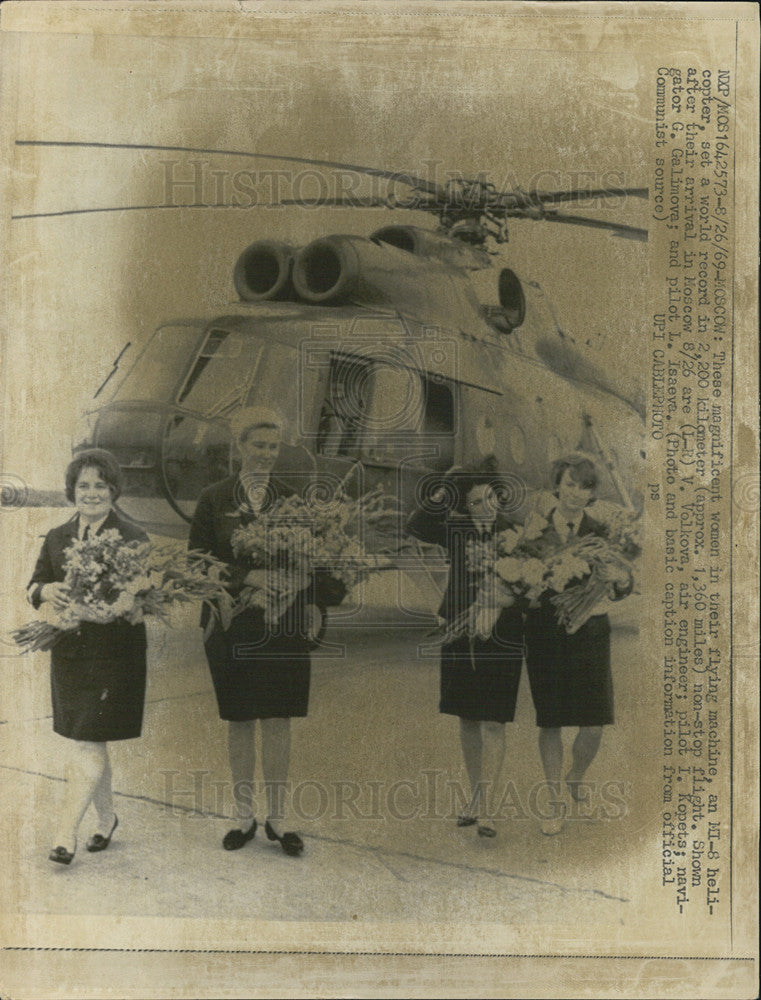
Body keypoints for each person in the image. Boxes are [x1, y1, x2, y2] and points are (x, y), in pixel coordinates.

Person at [189, 406, 345, 856]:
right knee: (240, 721)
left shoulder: (294, 500)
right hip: (232, 626)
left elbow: (322, 565)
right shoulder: (214, 499)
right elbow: (197, 562)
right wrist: (247, 578)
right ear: (240, 447)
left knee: (278, 718)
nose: (267, 455)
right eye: (259, 446)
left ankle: (278, 818)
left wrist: (302, 584)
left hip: (284, 628)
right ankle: (244, 817)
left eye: (274, 447)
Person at [26, 449, 148, 865]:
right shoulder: (58, 536)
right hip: (71, 654)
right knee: (89, 740)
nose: (92, 493)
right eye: (83, 485)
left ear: (113, 490)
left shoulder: (134, 536)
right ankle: (108, 818)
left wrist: (122, 604)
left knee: (88, 740)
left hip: (115, 655)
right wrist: (47, 591)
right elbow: (34, 584)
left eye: (100, 485)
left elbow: (145, 598)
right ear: (71, 491)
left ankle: (64, 834)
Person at [406, 458, 524, 837]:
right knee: (468, 718)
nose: (485, 507)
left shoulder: (518, 533)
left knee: (493, 720)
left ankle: (487, 805)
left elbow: (532, 583)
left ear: (499, 496)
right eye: (474, 501)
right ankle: (475, 796)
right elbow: (416, 525)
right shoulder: (455, 529)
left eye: (490, 497)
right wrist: (446, 489)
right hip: (457, 629)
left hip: (501, 634)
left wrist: (502, 604)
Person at [523, 453, 633, 836]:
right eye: (568, 483)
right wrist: (529, 586)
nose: (574, 493)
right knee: (550, 720)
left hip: (590, 633)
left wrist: (620, 579)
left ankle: (575, 776)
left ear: (591, 494)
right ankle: (555, 803)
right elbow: (518, 580)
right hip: (546, 634)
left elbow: (623, 583)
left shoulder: (603, 532)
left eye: (583, 486)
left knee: (594, 722)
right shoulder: (534, 533)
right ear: (557, 485)